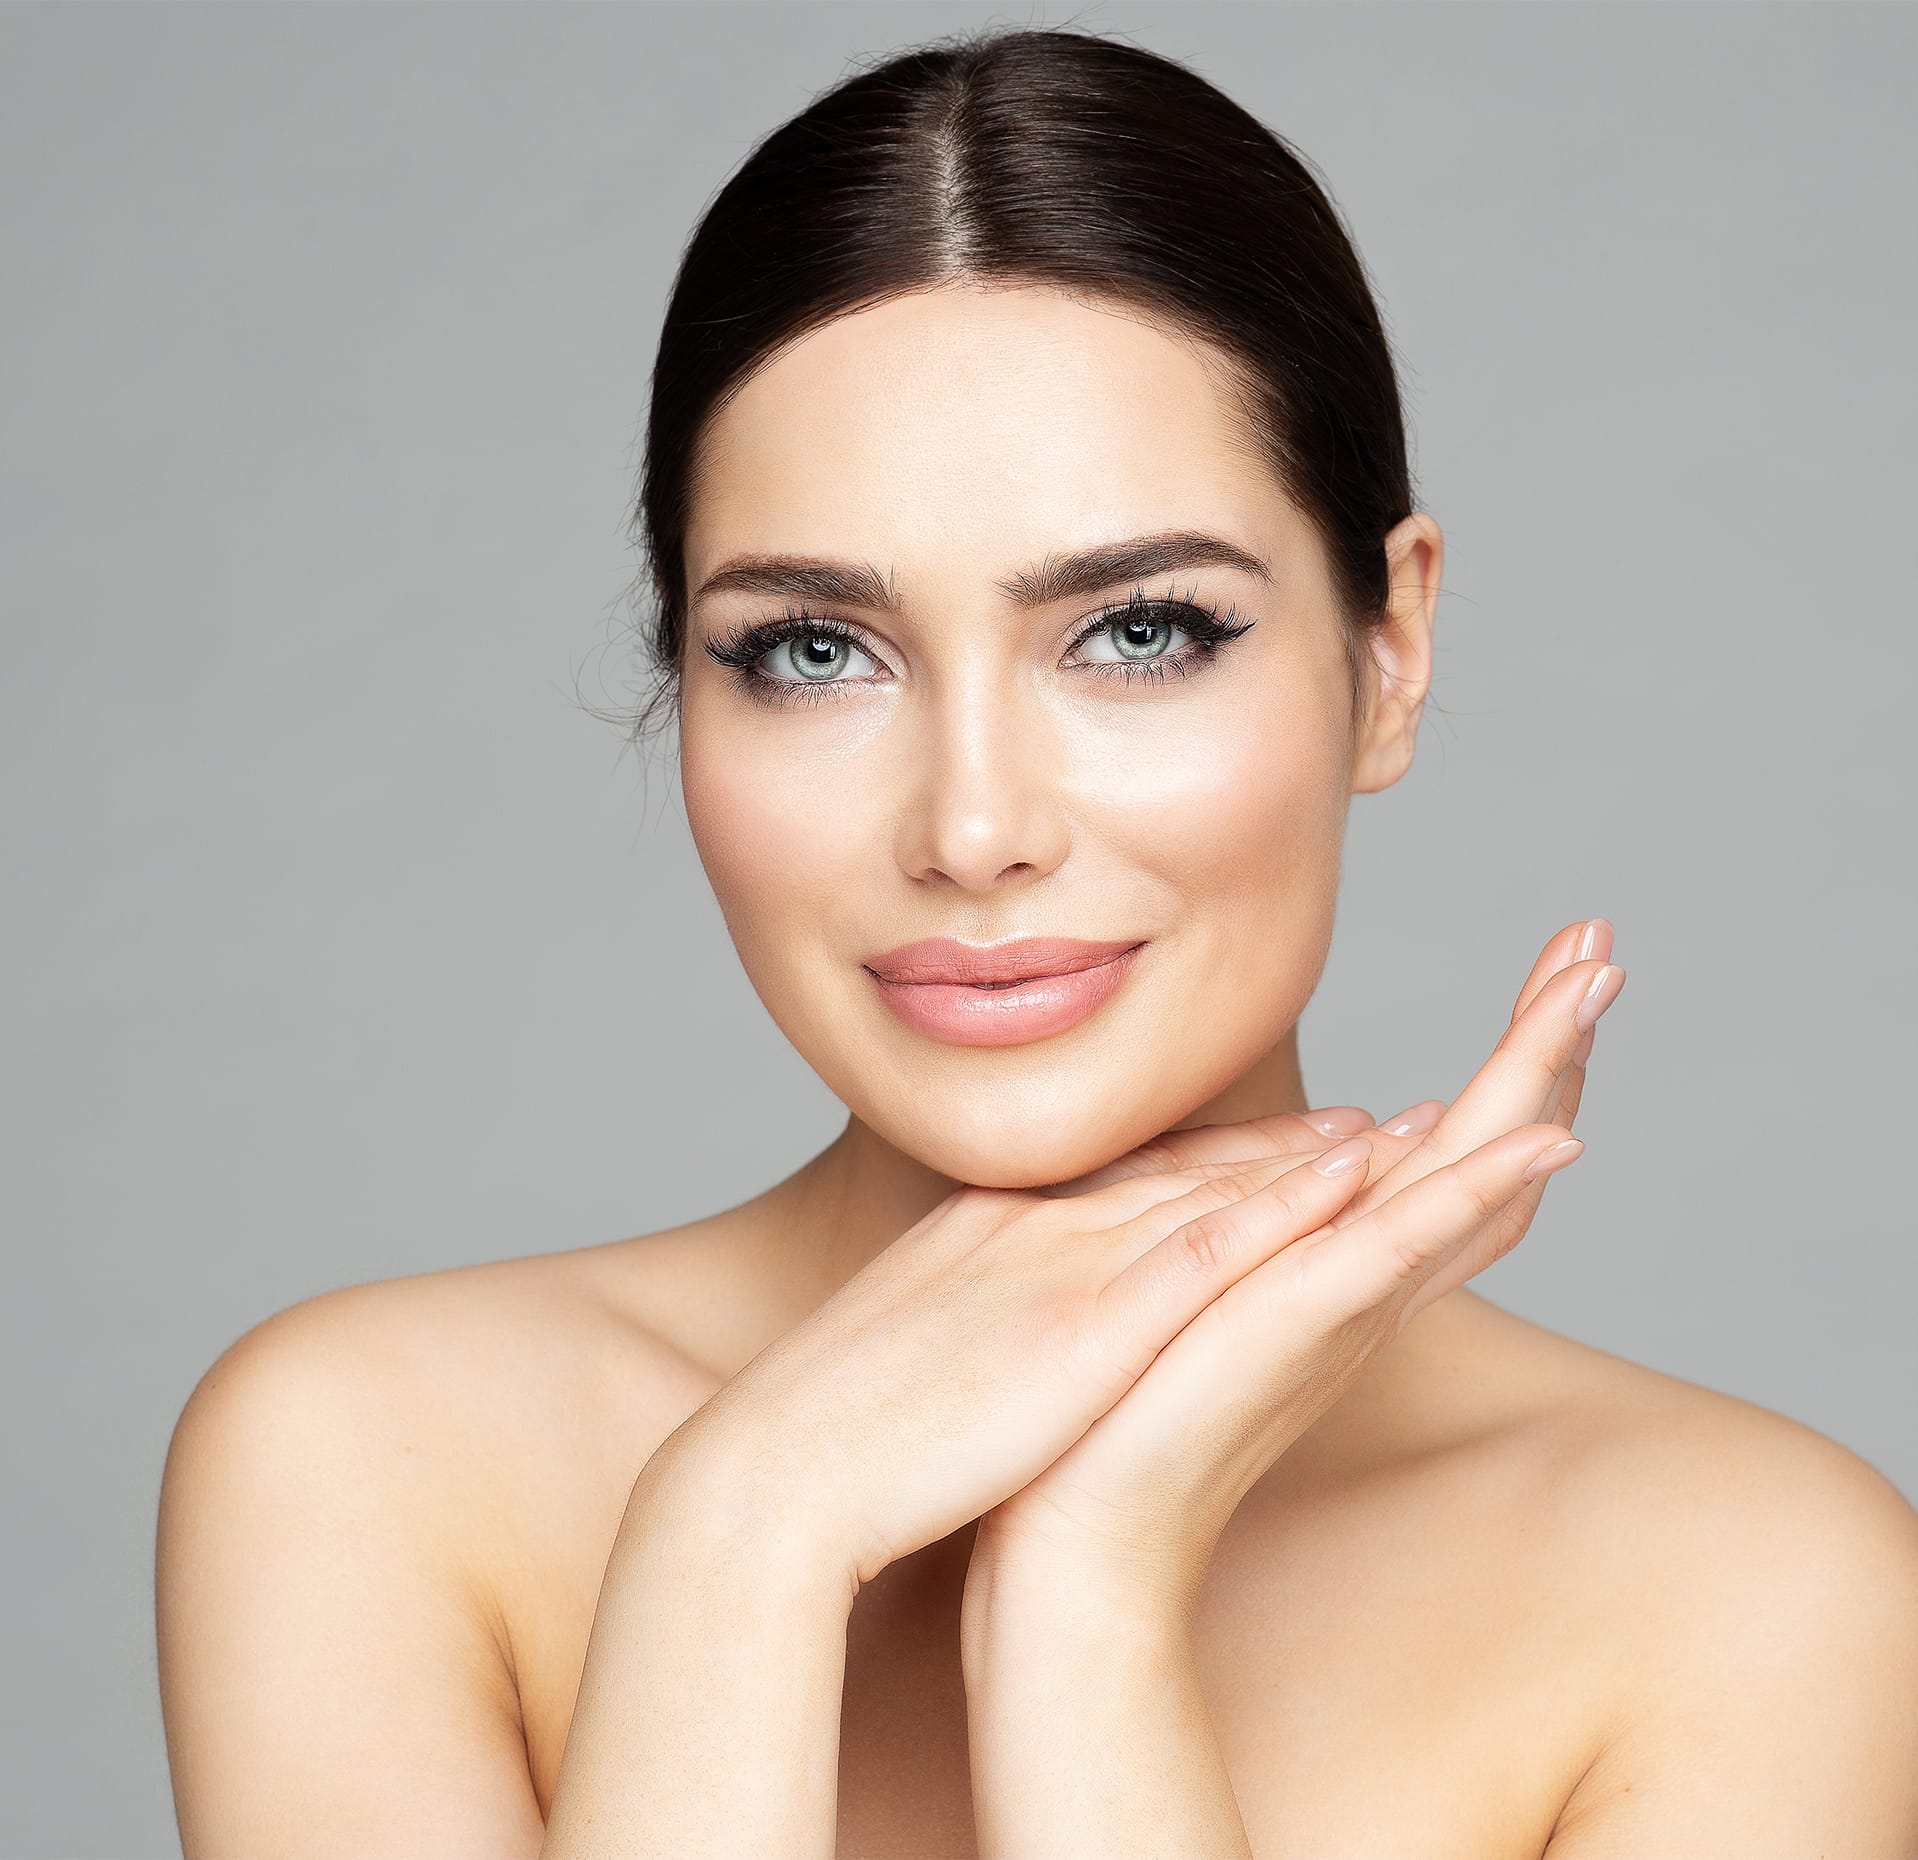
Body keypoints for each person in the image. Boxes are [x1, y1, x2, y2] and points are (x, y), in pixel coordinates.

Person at [154, 24, 1918, 1858]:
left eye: (1140, 632)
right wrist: (744, 1536)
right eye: (812, 651)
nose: (972, 830)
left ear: (1385, 652)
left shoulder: (1750, 1589)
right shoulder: (372, 1465)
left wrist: (1089, 1584)